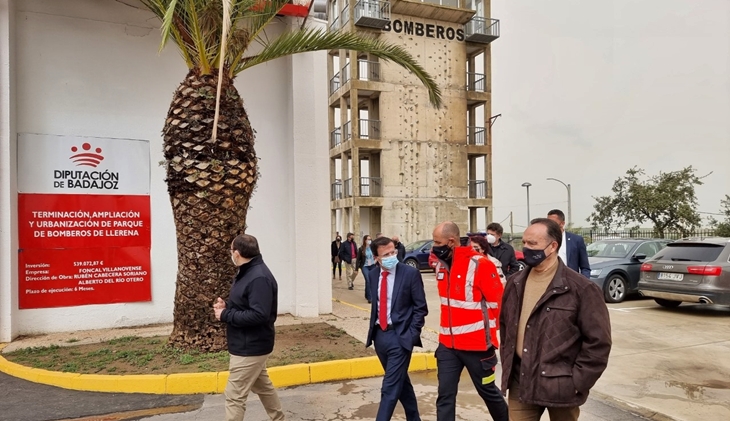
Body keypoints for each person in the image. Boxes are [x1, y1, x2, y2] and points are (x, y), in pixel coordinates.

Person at [500, 218, 612, 421]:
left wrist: (577, 382)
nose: (526, 249)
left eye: (532, 244)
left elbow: (598, 342)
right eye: (524, 242)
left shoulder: (582, 289)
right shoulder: (514, 283)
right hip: (521, 381)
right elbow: (506, 327)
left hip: (562, 387)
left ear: (553, 246)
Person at [431, 221, 509, 421]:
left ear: (450, 242)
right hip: (448, 346)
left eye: (437, 242)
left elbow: (498, 306)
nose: (434, 246)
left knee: (489, 392)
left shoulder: (480, 264)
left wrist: (491, 339)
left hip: (478, 348)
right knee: (445, 396)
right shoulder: (441, 265)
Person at [214, 234, 285, 421]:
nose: (231, 254)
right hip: (248, 343)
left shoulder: (258, 277)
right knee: (263, 386)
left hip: (250, 346)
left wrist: (225, 315)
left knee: (234, 395)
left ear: (237, 253)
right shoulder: (247, 272)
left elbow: (259, 314)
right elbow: (247, 305)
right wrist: (226, 308)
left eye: (231, 251)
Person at [365, 236, 428, 421]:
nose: (392, 256)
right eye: (386, 254)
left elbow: (420, 308)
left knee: (389, 387)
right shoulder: (373, 275)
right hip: (380, 337)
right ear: (377, 258)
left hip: (400, 337)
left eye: (393, 252)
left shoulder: (410, 273)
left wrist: (411, 335)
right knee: (400, 381)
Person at [547, 209, 591, 278]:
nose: (550, 226)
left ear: (562, 223)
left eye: (553, 223)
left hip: (570, 282)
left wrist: (582, 284)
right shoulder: (545, 240)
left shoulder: (576, 240)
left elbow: (585, 267)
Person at [358, 234, 376, 303]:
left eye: (370, 239)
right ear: (365, 240)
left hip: (372, 265)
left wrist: (376, 261)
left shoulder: (372, 248)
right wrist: (356, 269)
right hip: (365, 266)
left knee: (370, 281)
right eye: (368, 239)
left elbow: (376, 255)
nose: (369, 241)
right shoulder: (361, 249)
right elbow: (358, 259)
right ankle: (369, 297)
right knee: (368, 280)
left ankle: (367, 294)